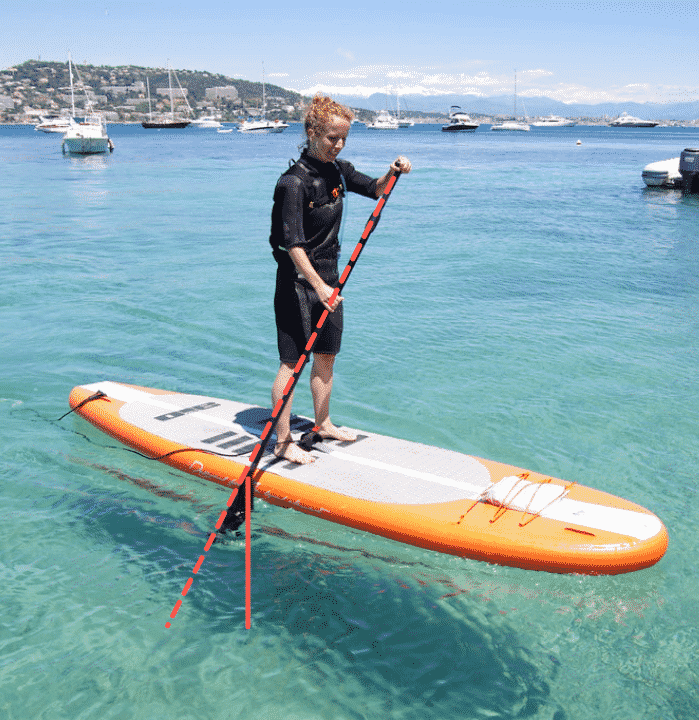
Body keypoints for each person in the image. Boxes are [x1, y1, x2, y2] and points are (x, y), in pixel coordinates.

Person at [269, 95, 411, 464]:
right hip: (299, 285)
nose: (339, 145)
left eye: (344, 138)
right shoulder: (293, 183)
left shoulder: (338, 170)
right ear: (312, 131)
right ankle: (283, 441)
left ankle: (323, 423)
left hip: (331, 282)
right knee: (293, 362)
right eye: (333, 137)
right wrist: (319, 287)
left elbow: (376, 187)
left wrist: (393, 171)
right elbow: (292, 245)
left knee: (327, 356)